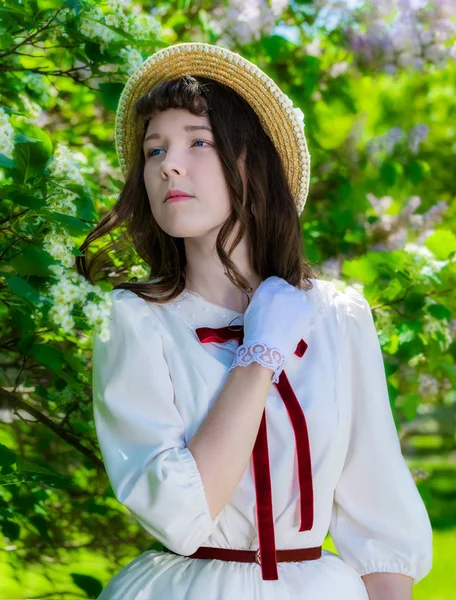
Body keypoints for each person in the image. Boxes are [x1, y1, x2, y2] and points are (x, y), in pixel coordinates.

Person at [83, 42, 433, 599]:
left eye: (200, 141)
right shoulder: (134, 320)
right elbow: (181, 513)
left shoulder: (338, 317)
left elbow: (379, 515)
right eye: (154, 150)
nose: (169, 163)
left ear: (254, 162)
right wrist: (260, 354)